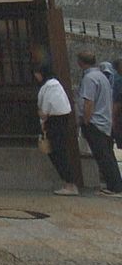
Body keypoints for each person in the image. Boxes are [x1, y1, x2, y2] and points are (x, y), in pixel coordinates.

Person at [76, 53, 122, 196]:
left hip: (95, 121)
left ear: (80, 62)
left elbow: (88, 102)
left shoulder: (89, 78)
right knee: (108, 154)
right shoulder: (102, 76)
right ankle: (116, 184)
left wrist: (86, 120)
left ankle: (114, 186)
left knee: (103, 155)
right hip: (104, 120)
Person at [34, 62, 77, 196]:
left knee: (58, 153)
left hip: (54, 121)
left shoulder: (51, 86)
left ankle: (69, 183)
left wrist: (43, 117)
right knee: (58, 152)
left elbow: (46, 107)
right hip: (58, 121)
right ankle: (68, 182)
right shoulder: (54, 84)